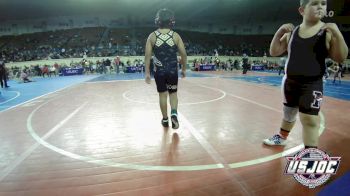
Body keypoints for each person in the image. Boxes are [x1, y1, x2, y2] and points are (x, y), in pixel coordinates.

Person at [263, 0, 348, 149]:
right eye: (315, 3)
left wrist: (337, 33)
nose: (320, 6)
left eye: (323, 3)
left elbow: (340, 57)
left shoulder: (326, 32)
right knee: (288, 113)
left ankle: (310, 154)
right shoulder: (292, 32)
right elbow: (274, 51)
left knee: (309, 119)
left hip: (312, 83)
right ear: (302, 10)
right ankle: (282, 137)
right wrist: (278, 33)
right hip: (290, 82)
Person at [144, 8, 187, 129]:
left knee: (162, 95)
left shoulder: (152, 36)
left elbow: (147, 56)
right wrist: (183, 69)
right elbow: (183, 54)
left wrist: (147, 73)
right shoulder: (175, 36)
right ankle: (174, 113)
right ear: (171, 22)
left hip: (159, 72)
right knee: (173, 94)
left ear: (157, 21)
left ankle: (165, 119)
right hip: (173, 71)